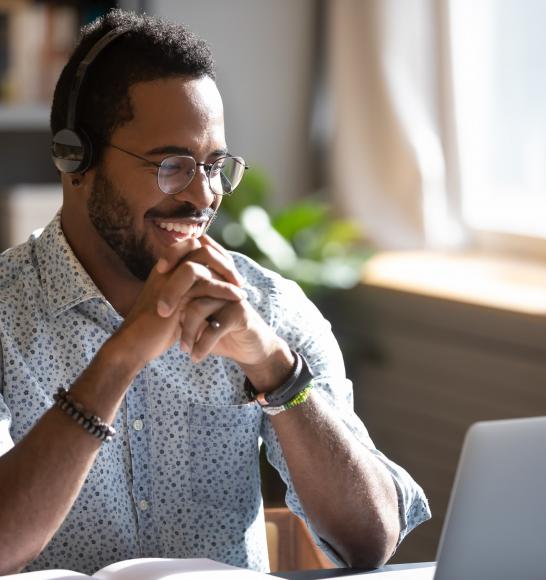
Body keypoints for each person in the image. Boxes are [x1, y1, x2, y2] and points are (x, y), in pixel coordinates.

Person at [0, 9, 430, 575]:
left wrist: (275, 368)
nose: (202, 196)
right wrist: (121, 357)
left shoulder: (267, 307)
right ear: (75, 159)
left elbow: (372, 542)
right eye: (172, 165)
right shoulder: (7, 315)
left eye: (215, 165)